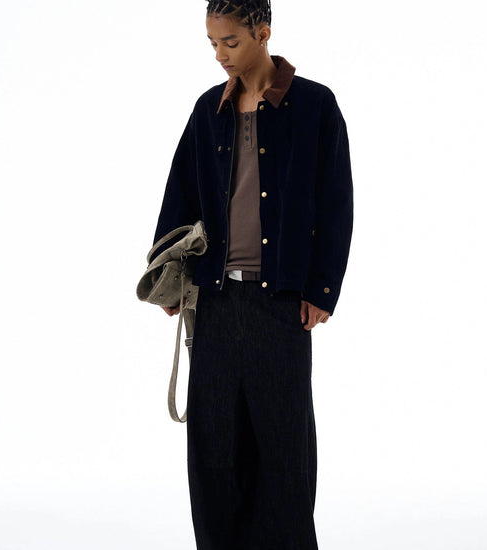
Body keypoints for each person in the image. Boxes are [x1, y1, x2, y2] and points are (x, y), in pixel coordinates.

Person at [149, 1, 353, 548]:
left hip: (281, 303)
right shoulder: (207, 110)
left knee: (284, 451)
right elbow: (179, 194)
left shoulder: (315, 105)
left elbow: (336, 201)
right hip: (215, 303)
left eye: (231, 42)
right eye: (212, 43)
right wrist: (169, 275)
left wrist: (322, 289)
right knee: (214, 452)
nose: (219, 54)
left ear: (263, 34)